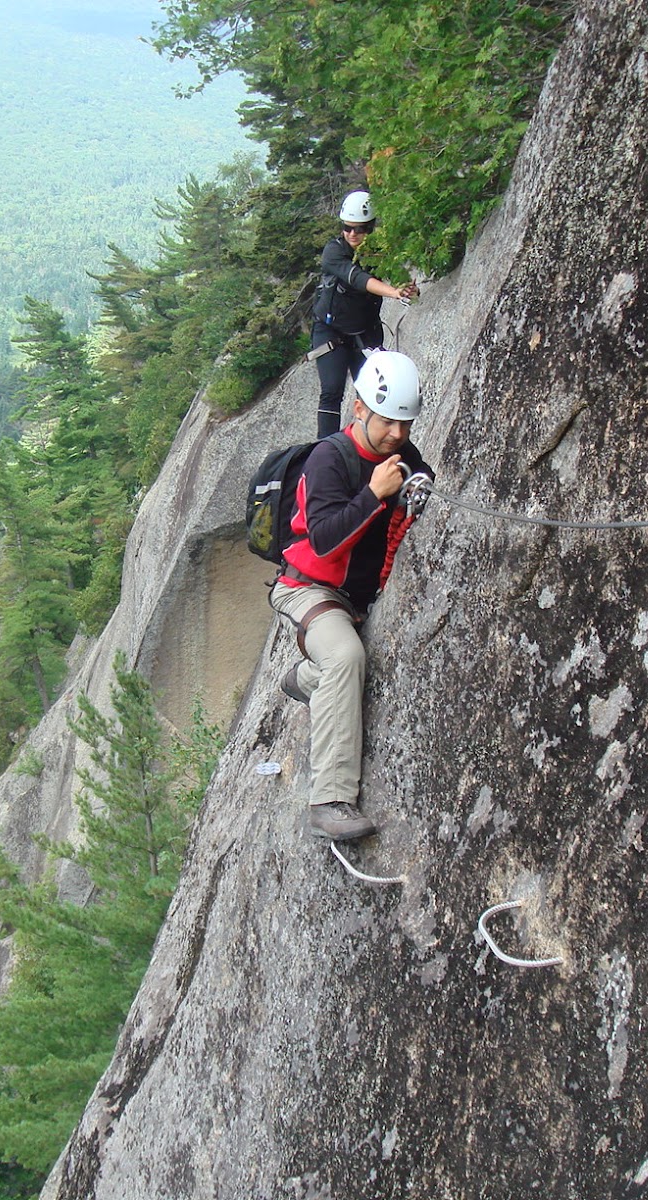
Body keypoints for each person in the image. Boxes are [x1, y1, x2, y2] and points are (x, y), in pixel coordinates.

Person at [270, 350, 433, 840]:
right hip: (308, 589)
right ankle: (330, 801)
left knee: (339, 663)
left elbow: (419, 481)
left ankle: (306, 678)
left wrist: (416, 488)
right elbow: (322, 539)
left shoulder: (400, 455)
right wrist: (375, 495)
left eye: (405, 423)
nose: (397, 435)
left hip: (356, 594)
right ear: (360, 408)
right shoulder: (329, 459)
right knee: (345, 655)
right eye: (388, 422)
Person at [309, 191, 419, 440]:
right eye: (347, 228)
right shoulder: (334, 252)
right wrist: (393, 292)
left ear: (369, 228)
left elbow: (397, 272)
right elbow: (357, 278)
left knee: (371, 393)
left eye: (358, 229)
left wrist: (408, 287)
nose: (351, 234)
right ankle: (323, 450)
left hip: (365, 332)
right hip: (331, 331)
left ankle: (368, 442)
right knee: (332, 390)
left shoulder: (380, 250)